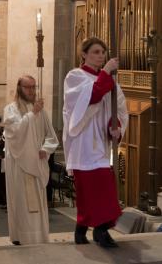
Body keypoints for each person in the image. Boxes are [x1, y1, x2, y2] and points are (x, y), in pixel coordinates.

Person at [63, 37, 128, 248]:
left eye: (103, 52)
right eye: (96, 52)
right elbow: (92, 97)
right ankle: (95, 230)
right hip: (82, 141)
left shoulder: (109, 79)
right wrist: (106, 72)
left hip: (100, 140)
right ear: (84, 54)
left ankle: (88, 229)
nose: (101, 56)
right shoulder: (74, 76)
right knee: (88, 189)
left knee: (103, 187)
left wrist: (114, 125)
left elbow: (117, 109)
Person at [3, 75, 59, 245]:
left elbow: (51, 137)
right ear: (19, 88)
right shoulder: (11, 109)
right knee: (21, 201)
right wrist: (31, 114)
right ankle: (20, 236)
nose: (31, 91)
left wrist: (45, 149)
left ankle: (38, 236)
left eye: (34, 87)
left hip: (36, 162)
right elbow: (15, 133)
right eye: (28, 87)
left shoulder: (40, 112)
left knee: (37, 204)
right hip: (19, 163)